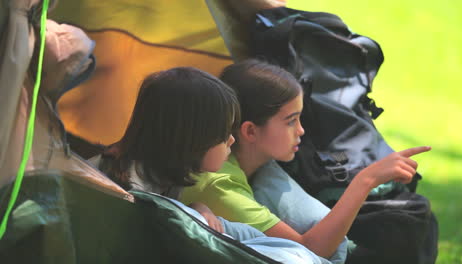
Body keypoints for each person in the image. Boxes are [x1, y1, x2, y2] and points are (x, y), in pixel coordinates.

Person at [180, 59, 431, 260]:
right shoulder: (222, 186)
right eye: (291, 121)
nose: (301, 131)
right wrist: (365, 180)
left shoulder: (250, 166)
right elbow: (310, 250)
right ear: (250, 131)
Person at [94, 67, 337, 263]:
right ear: (192, 140)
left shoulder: (159, 168)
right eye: (223, 134)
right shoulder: (133, 197)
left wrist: (198, 206)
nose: (231, 140)